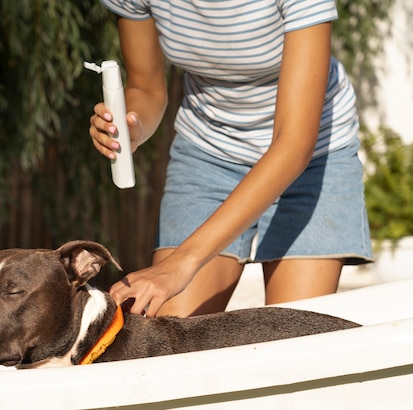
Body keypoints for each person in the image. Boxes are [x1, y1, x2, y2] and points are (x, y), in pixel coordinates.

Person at [89, 0, 373, 318]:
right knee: (171, 341)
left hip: (309, 158)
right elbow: (145, 86)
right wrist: (133, 124)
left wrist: (181, 264)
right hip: (209, 153)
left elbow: (293, 145)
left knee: (290, 341)